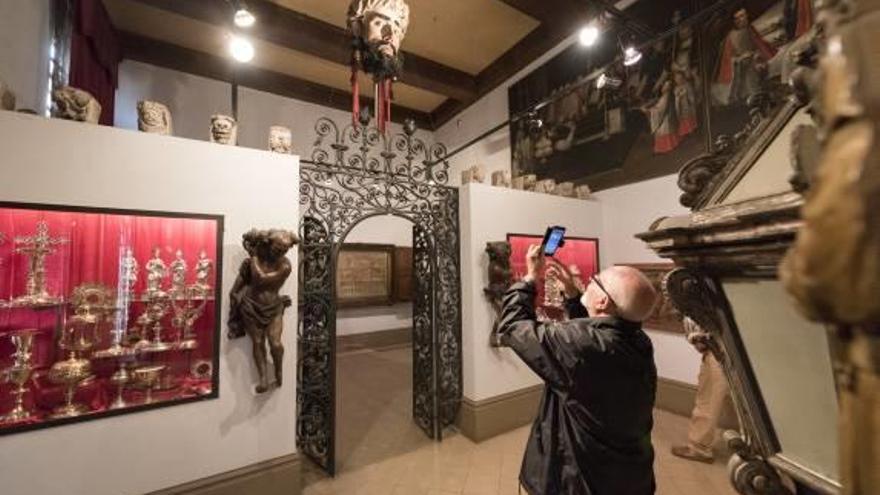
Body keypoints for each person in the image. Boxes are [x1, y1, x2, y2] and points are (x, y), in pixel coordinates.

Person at [498, 245, 660, 495]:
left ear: (603, 300)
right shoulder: (637, 341)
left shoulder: (584, 346)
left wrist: (530, 277)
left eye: (596, 279)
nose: (589, 280)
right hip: (624, 476)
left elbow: (512, 327)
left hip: (577, 479)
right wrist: (574, 296)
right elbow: (593, 334)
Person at [671, 317, 731, 463]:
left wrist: (698, 338)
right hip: (725, 348)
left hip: (721, 349)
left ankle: (700, 447)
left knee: (708, 398)